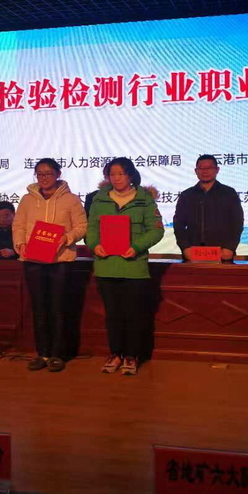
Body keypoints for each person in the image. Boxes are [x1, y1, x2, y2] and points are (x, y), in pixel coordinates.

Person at [86, 157, 164, 376]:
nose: (116, 178)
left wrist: (136, 247)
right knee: (112, 314)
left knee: (133, 314)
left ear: (130, 175)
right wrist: (94, 245)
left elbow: (157, 230)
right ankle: (115, 354)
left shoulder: (144, 199)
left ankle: (132, 356)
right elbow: (91, 229)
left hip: (133, 267)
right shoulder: (98, 199)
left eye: (121, 173)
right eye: (112, 174)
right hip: (106, 265)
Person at [12, 158, 87, 373]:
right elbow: (18, 225)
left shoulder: (71, 199)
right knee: (39, 308)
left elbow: (82, 226)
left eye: (48, 173)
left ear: (58, 174)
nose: (44, 178)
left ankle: (57, 354)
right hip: (33, 261)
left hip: (60, 261)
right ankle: (42, 353)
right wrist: (20, 243)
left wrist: (67, 238)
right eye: (40, 174)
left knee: (58, 308)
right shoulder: (27, 199)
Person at [173, 154, 244, 262]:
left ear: (217, 170)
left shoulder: (229, 193)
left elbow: (237, 222)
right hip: (193, 252)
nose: (205, 171)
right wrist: (185, 247)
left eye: (209, 168)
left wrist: (230, 247)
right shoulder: (186, 195)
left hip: (222, 252)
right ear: (196, 171)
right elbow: (179, 224)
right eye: (201, 168)